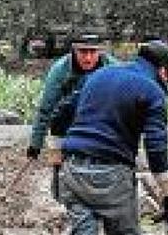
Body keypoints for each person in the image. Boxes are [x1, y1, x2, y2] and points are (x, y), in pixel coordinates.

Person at [52, 39, 168, 235]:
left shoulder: (98, 75)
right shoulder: (152, 92)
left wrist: (56, 164)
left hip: (74, 170)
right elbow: (157, 149)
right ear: (163, 72)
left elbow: (59, 116)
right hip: (112, 177)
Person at [26, 33, 110, 198]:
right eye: (83, 52)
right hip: (64, 119)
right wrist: (35, 144)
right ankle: (59, 186)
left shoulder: (112, 67)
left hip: (99, 115)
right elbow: (46, 109)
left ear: (100, 52)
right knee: (59, 131)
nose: (88, 58)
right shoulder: (60, 70)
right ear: (74, 52)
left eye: (93, 52)